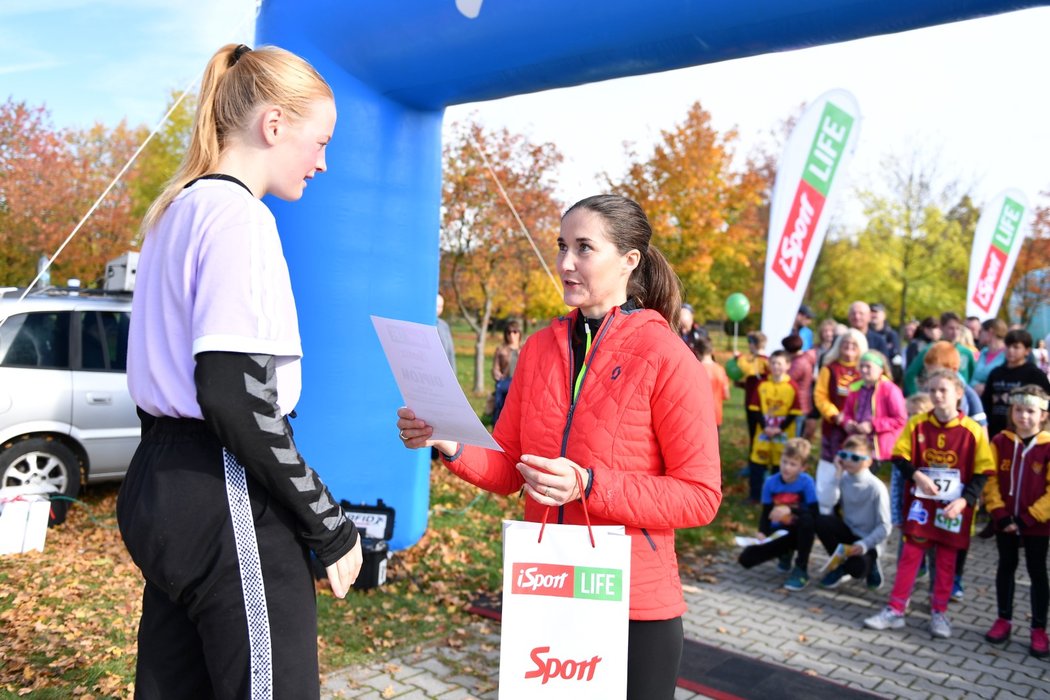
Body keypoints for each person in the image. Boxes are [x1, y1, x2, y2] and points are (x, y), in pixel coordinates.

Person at [397, 193, 722, 699]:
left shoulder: (667, 357)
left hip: (634, 606)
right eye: (561, 245)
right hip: (547, 592)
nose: (565, 263)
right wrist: (450, 444)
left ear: (629, 261)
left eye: (584, 248)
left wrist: (588, 485)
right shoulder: (539, 347)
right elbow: (509, 467)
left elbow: (700, 496)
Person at [116, 44, 363, 699]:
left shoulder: (176, 211)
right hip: (224, 489)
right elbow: (233, 395)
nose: (323, 161)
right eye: (320, 140)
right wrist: (328, 523)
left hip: (160, 486)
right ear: (273, 125)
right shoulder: (238, 217)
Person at [864, 369, 994, 639]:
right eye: (932, 390)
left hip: (952, 508)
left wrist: (964, 501)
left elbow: (983, 471)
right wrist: (917, 475)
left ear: (958, 394)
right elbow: (899, 456)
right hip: (922, 505)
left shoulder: (972, 430)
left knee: (946, 560)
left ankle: (939, 613)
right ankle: (896, 610)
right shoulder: (918, 424)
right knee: (910, 555)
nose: (936, 395)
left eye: (943, 390)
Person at [982, 385, 1050, 659]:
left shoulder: (1048, 447)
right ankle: (1004, 619)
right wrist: (999, 513)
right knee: (1006, 567)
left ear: (1044, 415)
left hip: (1037, 524)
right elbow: (989, 478)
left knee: (1037, 572)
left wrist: (1027, 518)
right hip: (1005, 520)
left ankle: (1038, 628)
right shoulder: (999, 441)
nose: (1024, 416)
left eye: (1031, 411)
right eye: (1019, 410)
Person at [738, 437, 818, 591]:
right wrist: (762, 532)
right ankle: (784, 553)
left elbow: (814, 512)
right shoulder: (770, 482)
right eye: (784, 462)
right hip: (778, 532)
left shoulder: (807, 482)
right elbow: (766, 512)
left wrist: (791, 509)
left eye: (793, 464)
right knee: (746, 560)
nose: (787, 467)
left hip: (799, 531)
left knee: (807, 521)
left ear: (803, 467)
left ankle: (801, 569)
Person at [815, 435, 892, 590]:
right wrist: (837, 474)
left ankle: (870, 564)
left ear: (868, 461)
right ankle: (841, 565)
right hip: (849, 534)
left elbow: (885, 527)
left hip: (868, 541)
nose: (848, 461)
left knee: (857, 570)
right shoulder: (842, 478)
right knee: (821, 521)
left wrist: (865, 544)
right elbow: (826, 502)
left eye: (855, 457)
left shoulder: (876, 488)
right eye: (844, 455)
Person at [813, 329, 867, 514]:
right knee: (830, 468)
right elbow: (820, 396)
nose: (849, 348)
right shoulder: (829, 369)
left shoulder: (866, 369)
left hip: (858, 432)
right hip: (833, 430)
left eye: (854, 344)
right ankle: (826, 511)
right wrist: (837, 416)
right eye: (845, 343)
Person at [746, 350, 802, 503]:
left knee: (780, 465)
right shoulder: (762, 384)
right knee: (757, 463)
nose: (776, 366)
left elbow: (794, 412)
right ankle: (755, 495)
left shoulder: (792, 386)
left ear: (788, 366)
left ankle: (778, 497)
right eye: (773, 363)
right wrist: (765, 427)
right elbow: (755, 409)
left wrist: (780, 428)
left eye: (779, 363)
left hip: (782, 435)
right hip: (763, 433)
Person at [841, 350, 907, 472]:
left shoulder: (890, 389)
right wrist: (848, 423)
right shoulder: (855, 387)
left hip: (880, 450)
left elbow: (900, 419)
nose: (864, 370)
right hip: (857, 447)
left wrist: (873, 425)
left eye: (868, 366)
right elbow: (847, 413)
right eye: (862, 366)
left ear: (880, 369)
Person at [982, 329, 1050, 438]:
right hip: (995, 431)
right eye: (1008, 346)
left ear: (1027, 350)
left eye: (1016, 347)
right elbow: (986, 401)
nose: (1010, 350)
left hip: (1024, 433)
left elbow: (1046, 402)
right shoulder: (996, 373)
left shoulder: (1035, 374)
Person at [904, 311, 976, 394]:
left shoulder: (966, 353)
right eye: (951, 328)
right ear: (941, 328)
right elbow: (910, 374)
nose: (955, 332)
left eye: (957, 328)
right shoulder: (931, 349)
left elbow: (972, 378)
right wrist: (916, 396)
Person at [735, 331, 770, 448]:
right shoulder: (758, 361)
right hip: (751, 401)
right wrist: (741, 385)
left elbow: (747, 369)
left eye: (749, 342)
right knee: (753, 433)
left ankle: (756, 462)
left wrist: (739, 357)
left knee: (757, 433)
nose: (748, 345)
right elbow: (755, 381)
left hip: (758, 404)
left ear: (755, 344)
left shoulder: (762, 361)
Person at [695, 337, 730, 431]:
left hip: (699, 415)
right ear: (712, 350)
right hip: (716, 413)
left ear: (696, 351)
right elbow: (726, 395)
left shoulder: (696, 369)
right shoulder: (720, 369)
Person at [491, 319, 522, 423]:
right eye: (508, 332)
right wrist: (498, 376)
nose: (511, 335)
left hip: (521, 384)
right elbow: (495, 368)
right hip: (505, 382)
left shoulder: (525, 348)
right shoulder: (501, 350)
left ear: (519, 333)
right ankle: (497, 425)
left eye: (514, 332)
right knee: (500, 403)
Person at [783, 334, 814, 436]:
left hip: (798, 404)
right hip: (803, 403)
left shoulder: (798, 364)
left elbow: (787, 380)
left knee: (795, 435)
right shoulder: (805, 358)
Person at [971, 318, 1008, 395]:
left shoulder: (1007, 355)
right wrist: (974, 386)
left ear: (990, 332)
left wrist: (986, 387)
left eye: (981, 331)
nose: (978, 334)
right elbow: (973, 377)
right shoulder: (983, 352)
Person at [869, 303, 902, 382]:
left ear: (884, 315)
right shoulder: (866, 334)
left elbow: (896, 357)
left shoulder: (891, 335)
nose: (873, 315)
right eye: (871, 312)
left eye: (876, 312)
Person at [436, 293, 457, 372]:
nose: (438, 309)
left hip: (443, 370)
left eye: (440, 306)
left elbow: (450, 351)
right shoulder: (424, 324)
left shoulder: (444, 326)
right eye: (436, 306)